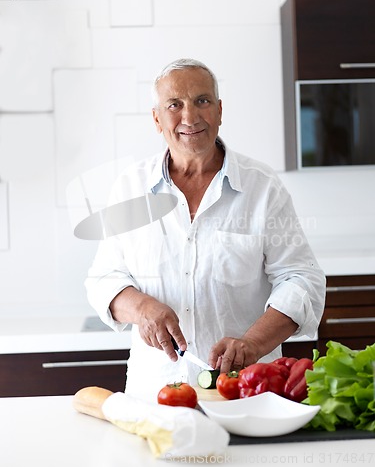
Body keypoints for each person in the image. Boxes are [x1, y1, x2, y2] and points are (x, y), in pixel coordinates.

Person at [85, 58, 326, 401]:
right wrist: (144, 310)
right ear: (157, 119)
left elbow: (302, 279)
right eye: (174, 105)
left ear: (219, 110)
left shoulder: (263, 187)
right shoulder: (130, 188)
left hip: (247, 389)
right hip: (156, 392)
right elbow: (104, 278)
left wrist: (252, 343)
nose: (190, 117)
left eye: (202, 101)